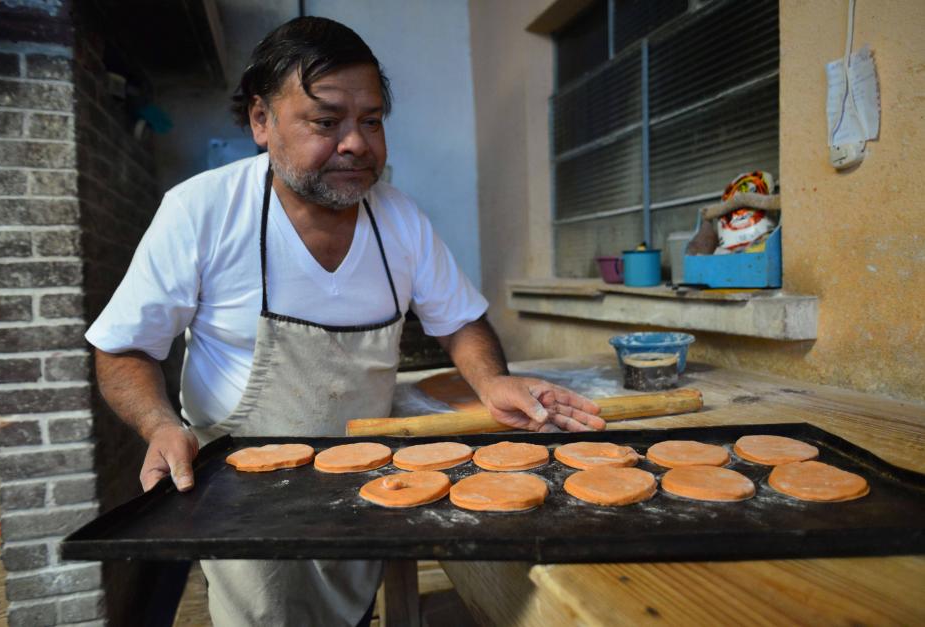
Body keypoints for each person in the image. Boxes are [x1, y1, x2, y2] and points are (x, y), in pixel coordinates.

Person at [86, 16, 603, 627]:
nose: (356, 143)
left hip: (369, 482)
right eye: (327, 122)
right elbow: (123, 349)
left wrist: (493, 384)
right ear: (261, 122)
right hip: (247, 497)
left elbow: (460, 322)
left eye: (372, 121)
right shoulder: (201, 212)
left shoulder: (401, 220)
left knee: (355, 609)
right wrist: (159, 424)